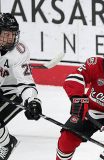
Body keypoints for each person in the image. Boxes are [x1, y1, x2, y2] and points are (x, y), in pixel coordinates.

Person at [0, 13, 42, 160]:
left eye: (12, 34)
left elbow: (25, 83)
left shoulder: (18, 52)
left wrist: (32, 101)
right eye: (5, 34)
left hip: (12, 91)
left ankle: (6, 143)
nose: (10, 39)